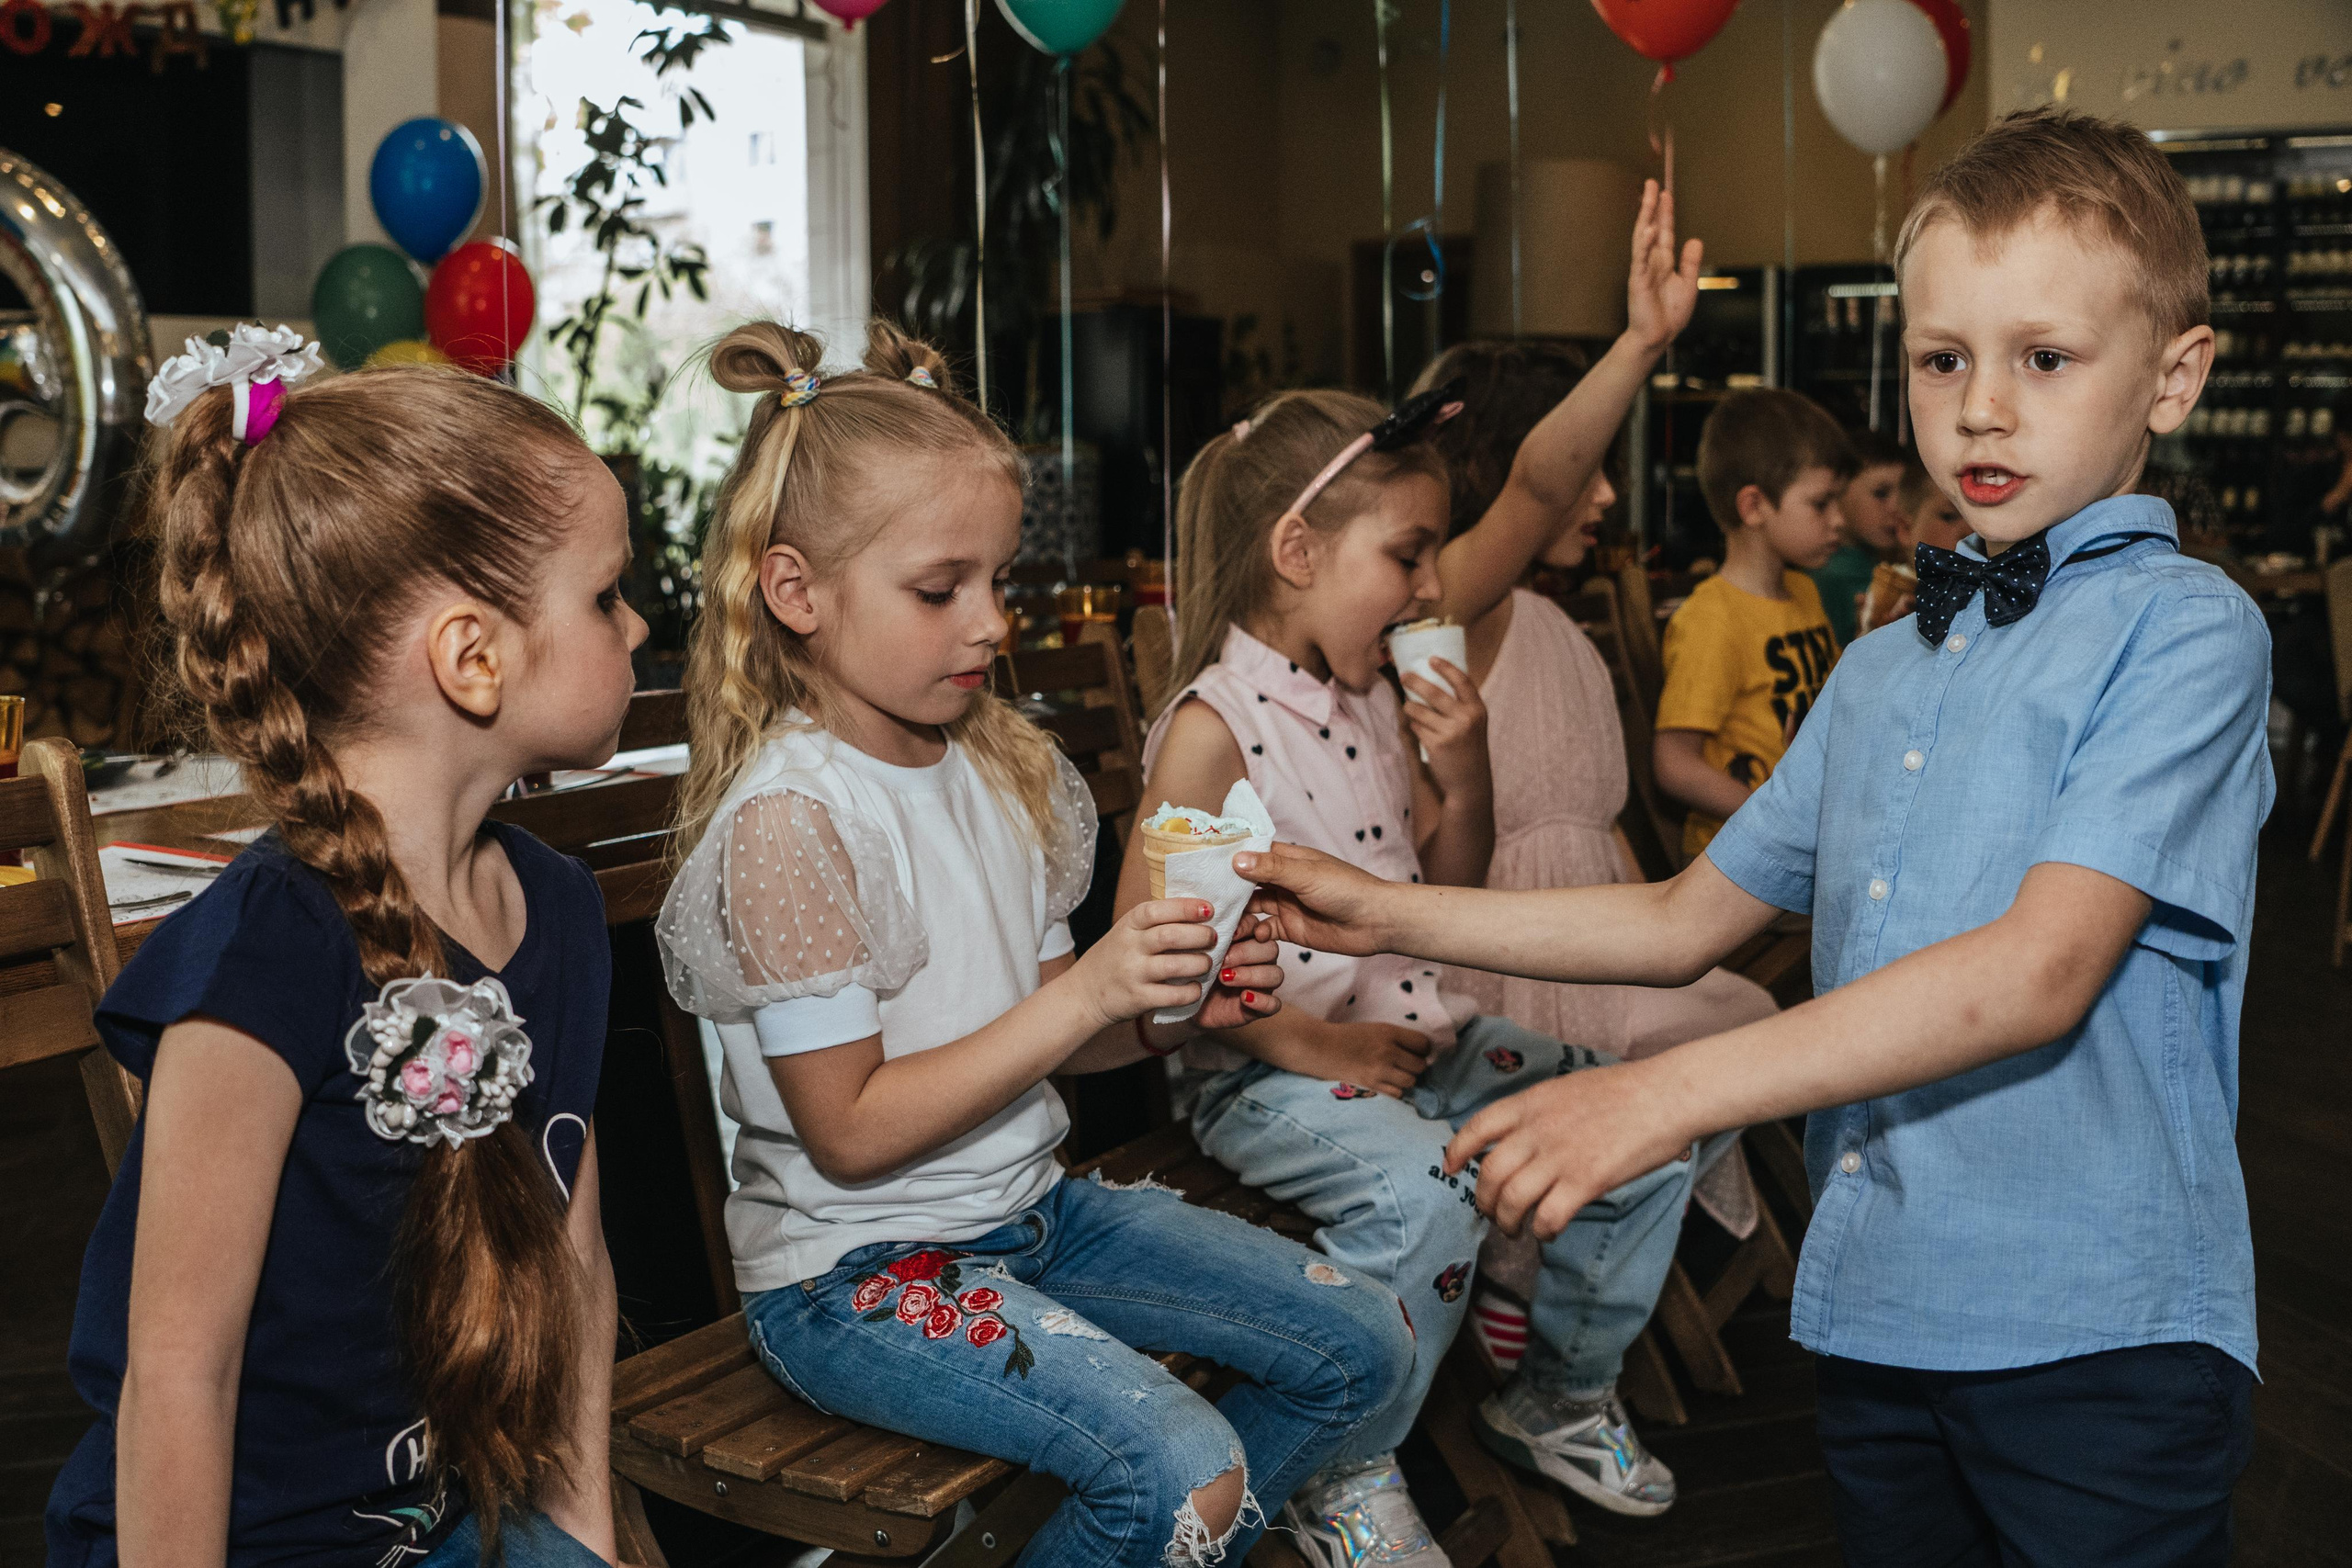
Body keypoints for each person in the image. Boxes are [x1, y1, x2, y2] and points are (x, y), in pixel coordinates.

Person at [1238, 107, 2267, 1567]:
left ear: (2175, 376)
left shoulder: (2187, 634)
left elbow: (2040, 969)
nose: (1981, 407)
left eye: (2045, 358)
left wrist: (1660, 1093)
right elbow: (1678, 915)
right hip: (1881, 1310)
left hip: (2090, 1328)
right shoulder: (1884, 666)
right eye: (1942, 358)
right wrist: (1388, 909)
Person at [653, 321, 1416, 1568]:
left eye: (999, 581)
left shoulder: (999, 769)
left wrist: (1181, 1002)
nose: (992, 623)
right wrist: (1090, 1001)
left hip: (1034, 1212)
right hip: (852, 1276)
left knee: (1365, 1339)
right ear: (796, 591)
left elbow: (1070, 1027)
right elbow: (847, 1127)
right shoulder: (793, 822)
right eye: (939, 588)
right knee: (1188, 1467)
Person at [47, 330, 641, 1568]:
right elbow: (175, 1373)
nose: (637, 624)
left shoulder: (563, 913)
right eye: (605, 594)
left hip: (441, 1521)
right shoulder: (267, 952)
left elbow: (575, 1267)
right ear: (472, 656)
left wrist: (582, 1536)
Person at [1129, 378, 1698, 1558]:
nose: (1432, 586)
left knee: (1641, 1129)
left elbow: (1437, 893)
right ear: (1297, 550)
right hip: (1263, 1070)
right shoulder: (1213, 727)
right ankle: (1335, 1467)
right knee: (1427, 1199)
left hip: (1413, 1044)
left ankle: (1555, 1392)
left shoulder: (1369, 694)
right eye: (1409, 553)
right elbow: (1161, 961)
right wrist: (1310, 1043)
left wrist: (1470, 771)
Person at [1406, 186, 1776, 1368]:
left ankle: (1564, 1281)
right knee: (1715, 1048)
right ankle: (1555, 1314)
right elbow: (1535, 488)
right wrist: (1637, 344)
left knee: (1746, 1020)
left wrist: (1669, 934)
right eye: (1588, 475)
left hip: (1592, 932)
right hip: (1498, 956)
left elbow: (1608, 823)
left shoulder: (1553, 627)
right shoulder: (1443, 616)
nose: (1602, 497)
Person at [1653, 389, 1853, 859]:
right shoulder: (1712, 619)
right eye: (1821, 504)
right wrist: (1771, 817)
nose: (1840, 521)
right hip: (1739, 857)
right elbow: (1674, 764)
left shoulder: (1803, 591)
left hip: (1801, 839)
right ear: (1753, 507)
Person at [1810, 425, 1909, 645]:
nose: (1896, 507)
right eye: (1881, 494)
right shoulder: (1828, 578)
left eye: (1903, 494)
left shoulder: (1893, 566)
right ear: (1839, 492)